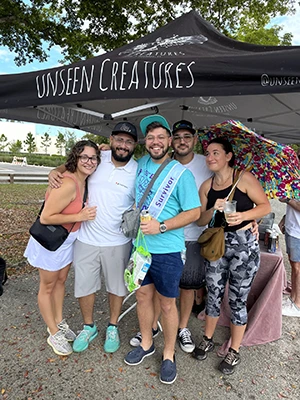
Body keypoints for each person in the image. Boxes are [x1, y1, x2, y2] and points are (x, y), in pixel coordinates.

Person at [48, 122, 138, 354]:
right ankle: (89, 326)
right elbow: (70, 166)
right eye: (119, 139)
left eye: (128, 141)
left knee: (116, 287)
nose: (123, 145)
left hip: (119, 241)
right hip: (86, 238)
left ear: (135, 145)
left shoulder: (137, 170)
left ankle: (112, 326)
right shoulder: (98, 160)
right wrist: (54, 172)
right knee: (85, 286)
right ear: (111, 140)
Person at [124, 115, 201, 384]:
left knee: (167, 304)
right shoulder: (142, 162)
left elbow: (194, 211)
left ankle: (169, 353)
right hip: (140, 248)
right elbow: (113, 158)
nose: (155, 142)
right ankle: (147, 343)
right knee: (143, 298)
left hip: (168, 250)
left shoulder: (181, 174)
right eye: (151, 137)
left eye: (160, 137)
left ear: (169, 141)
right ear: (146, 142)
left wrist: (163, 226)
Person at [192, 137, 270, 375]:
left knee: (237, 298)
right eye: (208, 153)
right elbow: (199, 220)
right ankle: (207, 338)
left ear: (228, 156)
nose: (211, 157)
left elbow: (265, 206)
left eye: (216, 152)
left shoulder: (244, 178)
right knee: (213, 293)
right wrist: (211, 209)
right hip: (217, 244)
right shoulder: (206, 186)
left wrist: (245, 216)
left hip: (244, 246)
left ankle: (234, 350)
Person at [24, 140, 99, 356]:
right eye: (84, 156)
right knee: (47, 286)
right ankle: (53, 331)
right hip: (50, 240)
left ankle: (59, 322)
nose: (89, 161)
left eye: (93, 157)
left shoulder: (83, 178)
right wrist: (80, 216)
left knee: (61, 281)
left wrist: (103, 147)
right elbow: (47, 217)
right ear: (75, 157)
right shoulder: (67, 183)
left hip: (67, 240)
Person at [279, 197, 300, 317]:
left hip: (298, 232)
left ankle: (298, 305)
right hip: (293, 228)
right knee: (294, 265)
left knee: (298, 267)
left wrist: (287, 200)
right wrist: (285, 218)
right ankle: (293, 298)